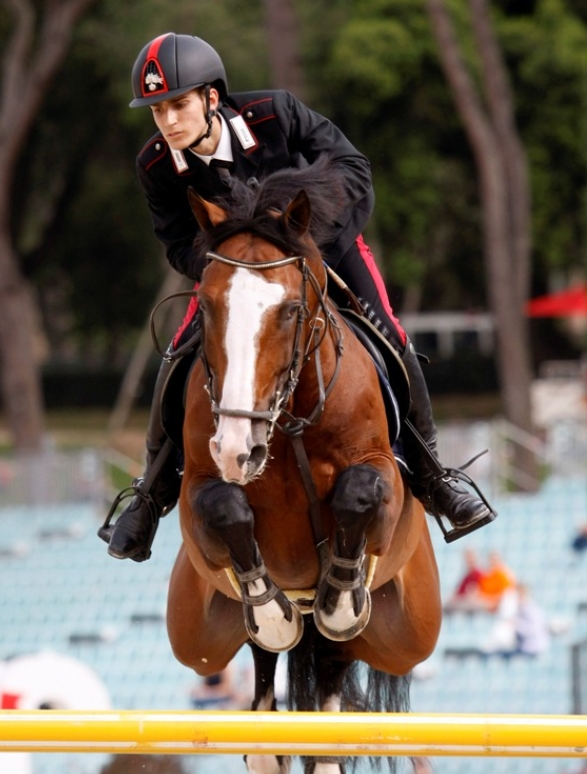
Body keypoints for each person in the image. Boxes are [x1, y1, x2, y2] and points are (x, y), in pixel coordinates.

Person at [99, 32, 496, 562]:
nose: (168, 121)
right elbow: (175, 240)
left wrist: (305, 256)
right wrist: (239, 274)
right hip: (237, 277)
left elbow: (355, 170)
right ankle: (149, 496)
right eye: (157, 111)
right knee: (178, 353)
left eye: (178, 105)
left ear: (211, 99)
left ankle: (433, 475)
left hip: (327, 247)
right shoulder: (154, 165)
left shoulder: (275, 114)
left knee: (391, 335)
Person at [444, 547, 486, 613]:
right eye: (467, 558)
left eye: (471, 557)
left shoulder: (480, 574)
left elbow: (483, 593)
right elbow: (459, 592)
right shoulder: (467, 576)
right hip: (464, 602)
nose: (469, 560)